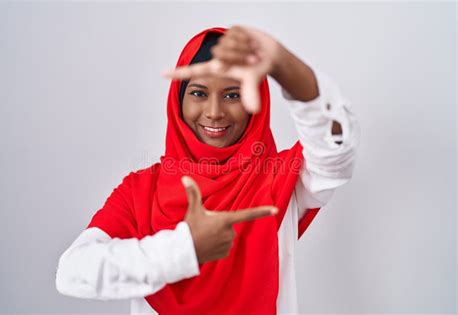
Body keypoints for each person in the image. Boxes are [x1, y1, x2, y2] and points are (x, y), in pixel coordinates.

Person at [55, 25, 360, 314]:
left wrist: (282, 63)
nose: (214, 113)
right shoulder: (141, 191)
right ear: (178, 100)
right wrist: (184, 249)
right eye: (199, 93)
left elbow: (335, 148)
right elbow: (72, 272)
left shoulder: (282, 178)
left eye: (233, 94)